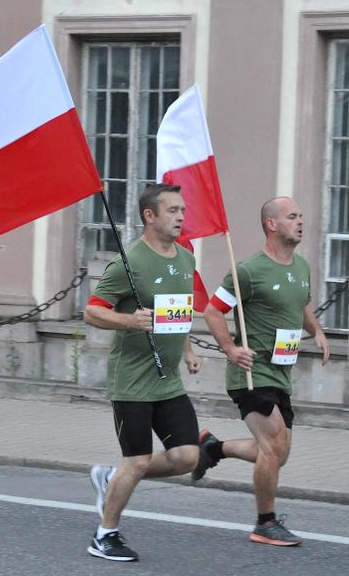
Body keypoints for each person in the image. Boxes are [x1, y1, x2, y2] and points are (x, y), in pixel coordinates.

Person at [197, 196, 329, 546]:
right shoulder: (248, 271)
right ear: (272, 224)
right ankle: (264, 522)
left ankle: (213, 449)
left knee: (277, 452)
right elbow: (213, 311)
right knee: (273, 444)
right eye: (292, 216)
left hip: (281, 372)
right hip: (252, 373)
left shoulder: (301, 267)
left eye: (302, 215)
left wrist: (316, 329)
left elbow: (299, 302)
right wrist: (230, 349)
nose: (301, 221)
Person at [83, 184, 202, 562]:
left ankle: (110, 479)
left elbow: (177, 311)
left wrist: (187, 348)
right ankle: (105, 534)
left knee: (187, 457)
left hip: (168, 381)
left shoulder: (186, 258)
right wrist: (128, 321)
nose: (181, 217)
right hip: (132, 381)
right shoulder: (128, 262)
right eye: (172, 211)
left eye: (182, 210)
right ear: (149, 216)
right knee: (136, 460)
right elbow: (92, 311)